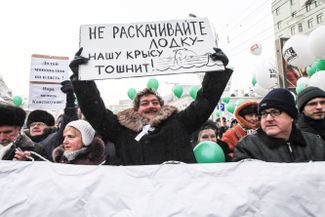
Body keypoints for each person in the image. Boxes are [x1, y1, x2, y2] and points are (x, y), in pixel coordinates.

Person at [69, 47, 233, 165]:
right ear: (136, 109)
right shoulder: (120, 128)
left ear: (162, 107)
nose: (151, 106)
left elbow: (205, 101)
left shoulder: (179, 123)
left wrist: (216, 72)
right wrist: (82, 77)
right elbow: (94, 110)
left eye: (155, 103)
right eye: (145, 103)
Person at [233, 88, 325, 162]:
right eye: (264, 113)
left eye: (275, 112)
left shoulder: (315, 143)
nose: (268, 119)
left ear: (291, 116)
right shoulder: (248, 147)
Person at [25, 81, 79, 160]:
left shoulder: (55, 139)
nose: (36, 126)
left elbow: (69, 120)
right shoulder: (20, 141)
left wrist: (70, 99)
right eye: (33, 125)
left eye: (40, 124)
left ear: (49, 127)